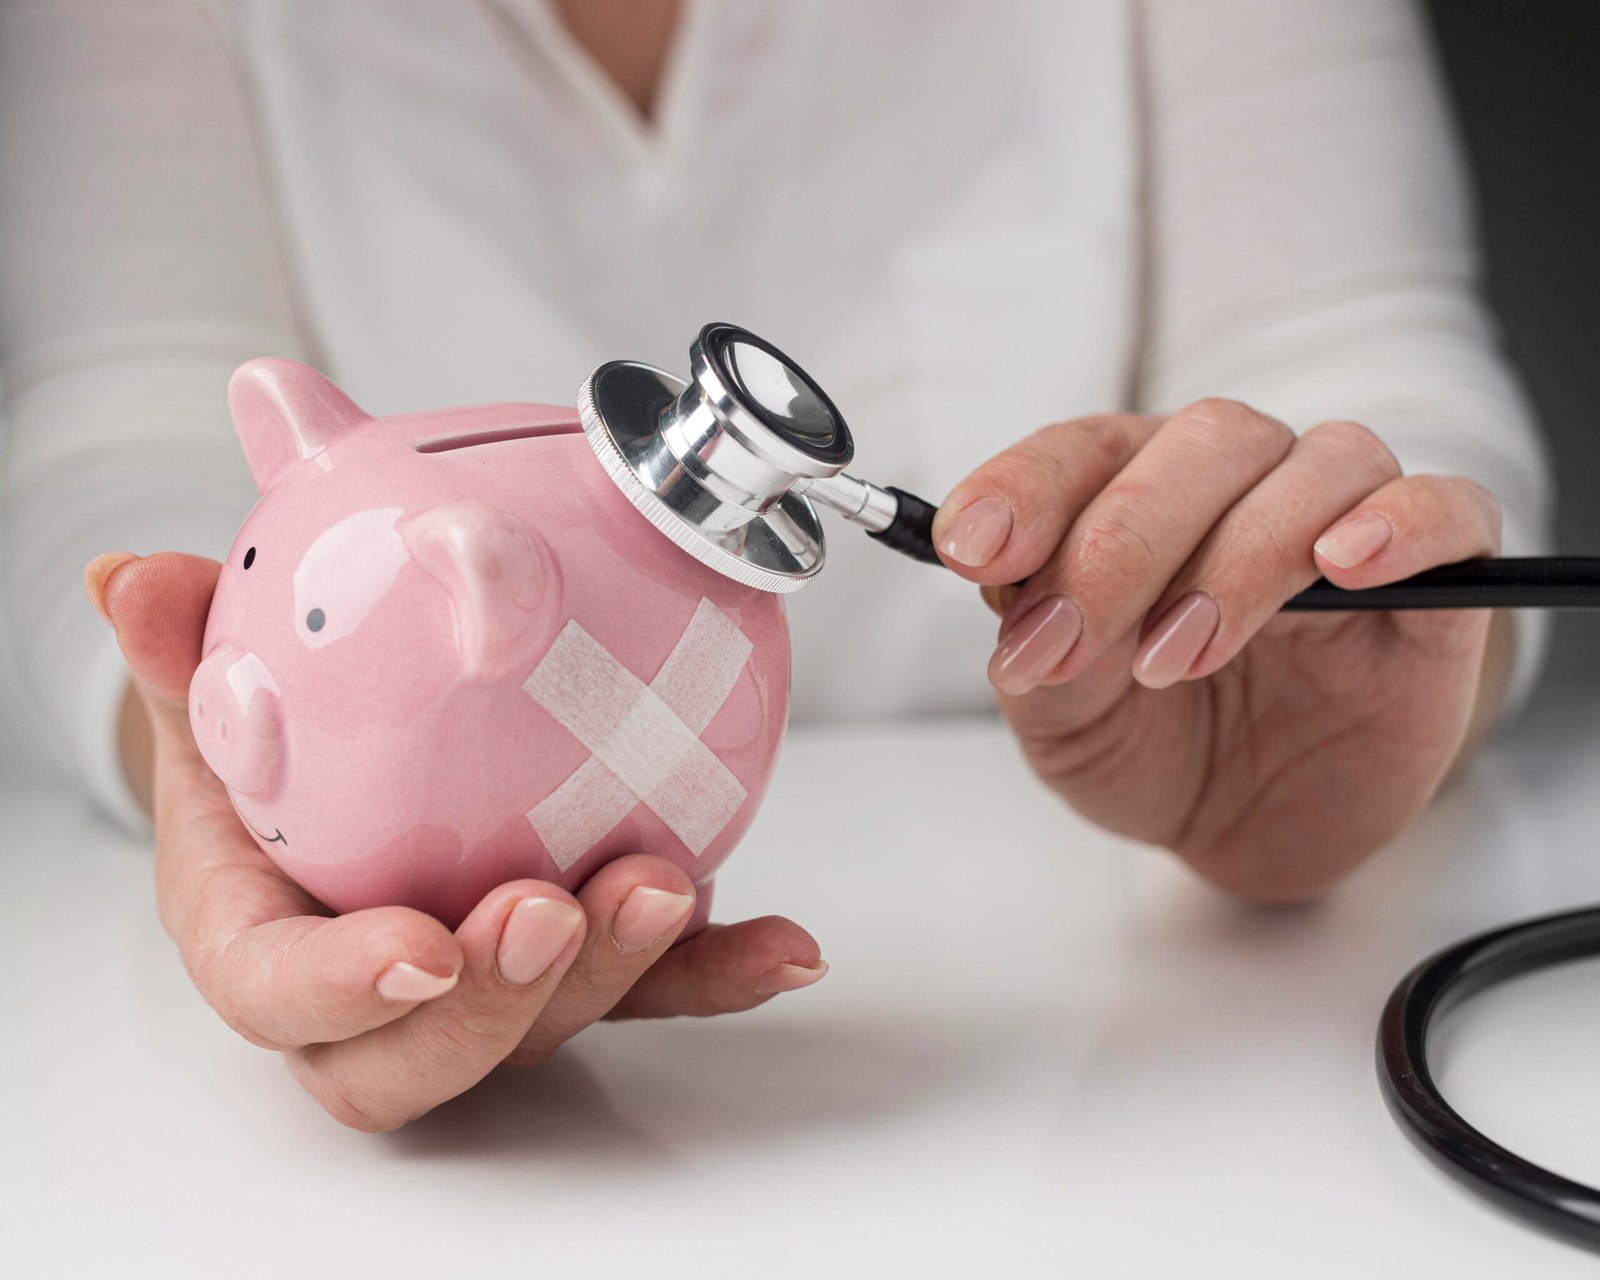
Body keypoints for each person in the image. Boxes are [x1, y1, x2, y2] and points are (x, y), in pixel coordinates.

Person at [1, 0, 1549, 1131]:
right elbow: (117, 435)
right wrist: (223, 781)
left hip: (1098, 1028)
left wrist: (1359, 639)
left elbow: (1366, 368)